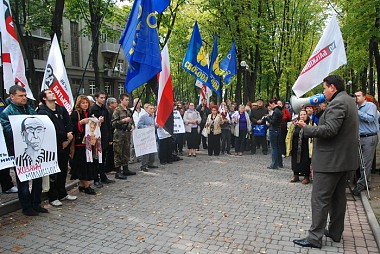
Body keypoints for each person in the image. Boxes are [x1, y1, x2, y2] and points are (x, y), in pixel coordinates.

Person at [293, 75, 359, 249]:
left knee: (320, 199)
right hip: (342, 161)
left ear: (332, 88)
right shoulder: (349, 100)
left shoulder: (338, 103)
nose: (323, 91)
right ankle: (335, 232)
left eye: (324, 88)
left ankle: (314, 237)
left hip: (331, 161)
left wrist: (306, 128)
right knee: (338, 199)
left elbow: (330, 130)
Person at [0, 85, 48, 216]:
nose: (24, 98)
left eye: (25, 95)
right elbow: (7, 131)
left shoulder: (29, 109)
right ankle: (26, 207)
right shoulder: (7, 112)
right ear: (12, 96)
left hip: (35, 150)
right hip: (19, 152)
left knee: (38, 177)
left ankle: (36, 203)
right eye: (21, 96)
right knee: (23, 181)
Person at [37, 89, 77, 207]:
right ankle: (53, 196)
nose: (52, 93)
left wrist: (68, 139)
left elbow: (69, 123)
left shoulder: (61, 108)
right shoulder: (42, 112)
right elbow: (49, 129)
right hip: (51, 146)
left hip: (64, 144)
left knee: (63, 170)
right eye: (49, 93)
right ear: (44, 98)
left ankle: (62, 193)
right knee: (53, 172)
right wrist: (65, 136)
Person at [352, 90, 379, 196]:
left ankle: (360, 186)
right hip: (359, 137)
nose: (356, 98)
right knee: (360, 162)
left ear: (364, 97)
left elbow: (370, 118)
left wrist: (357, 112)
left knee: (366, 163)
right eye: (355, 96)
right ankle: (367, 183)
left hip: (370, 137)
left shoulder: (370, 106)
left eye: (358, 96)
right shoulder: (355, 107)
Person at [70, 95, 96, 195]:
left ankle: (82, 185)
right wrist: (80, 122)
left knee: (87, 164)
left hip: (88, 142)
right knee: (82, 165)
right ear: (79, 104)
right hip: (79, 143)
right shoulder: (75, 114)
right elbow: (72, 127)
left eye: (86, 103)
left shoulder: (89, 113)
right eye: (83, 103)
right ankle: (86, 185)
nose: (85, 105)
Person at [89, 91, 115, 187]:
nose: (103, 99)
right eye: (101, 98)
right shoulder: (93, 109)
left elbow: (108, 124)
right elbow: (90, 124)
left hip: (104, 136)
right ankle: (96, 178)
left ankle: (103, 176)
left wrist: (109, 138)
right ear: (96, 98)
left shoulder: (105, 110)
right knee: (95, 158)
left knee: (102, 158)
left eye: (104, 98)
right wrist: (97, 121)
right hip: (95, 137)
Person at [286, 109, 314, 184]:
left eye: (304, 114)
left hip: (306, 146)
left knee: (306, 161)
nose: (302, 116)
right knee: (295, 161)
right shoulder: (294, 124)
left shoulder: (311, 123)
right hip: (295, 145)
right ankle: (295, 175)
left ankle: (306, 177)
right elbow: (290, 133)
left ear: (307, 115)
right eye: (301, 114)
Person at [112, 93, 135, 179]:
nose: (127, 101)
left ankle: (126, 168)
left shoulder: (129, 110)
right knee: (118, 152)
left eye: (128, 100)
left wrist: (132, 125)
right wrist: (123, 121)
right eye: (126, 100)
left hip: (127, 134)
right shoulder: (117, 110)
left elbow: (132, 120)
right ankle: (118, 171)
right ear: (121, 100)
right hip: (119, 133)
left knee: (126, 151)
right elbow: (114, 123)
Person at [137, 104, 158, 172]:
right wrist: (148, 127)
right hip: (146, 136)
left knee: (152, 150)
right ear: (147, 109)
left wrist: (156, 126)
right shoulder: (143, 117)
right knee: (146, 152)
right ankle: (143, 166)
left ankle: (150, 163)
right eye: (150, 109)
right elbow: (139, 126)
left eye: (153, 109)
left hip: (152, 136)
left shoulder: (153, 116)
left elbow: (153, 125)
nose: (152, 110)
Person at [266, 99, 283, 169]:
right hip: (278, 130)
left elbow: (273, 122)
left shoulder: (275, 111)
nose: (270, 107)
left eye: (270, 105)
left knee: (274, 148)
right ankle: (280, 163)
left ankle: (274, 164)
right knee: (278, 147)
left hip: (274, 130)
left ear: (273, 104)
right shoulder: (280, 111)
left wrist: (267, 118)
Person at [130, 98, 146, 164]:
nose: (138, 104)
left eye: (139, 102)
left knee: (141, 144)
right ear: (134, 103)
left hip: (142, 130)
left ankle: (140, 157)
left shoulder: (143, 111)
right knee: (132, 145)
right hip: (133, 130)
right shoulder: (130, 110)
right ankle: (132, 158)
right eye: (136, 102)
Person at [105, 97, 118, 173]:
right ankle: (108, 168)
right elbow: (110, 125)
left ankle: (113, 166)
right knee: (109, 152)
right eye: (115, 102)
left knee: (113, 151)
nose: (117, 103)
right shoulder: (109, 112)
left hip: (114, 133)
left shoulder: (114, 111)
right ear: (110, 104)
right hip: (110, 133)